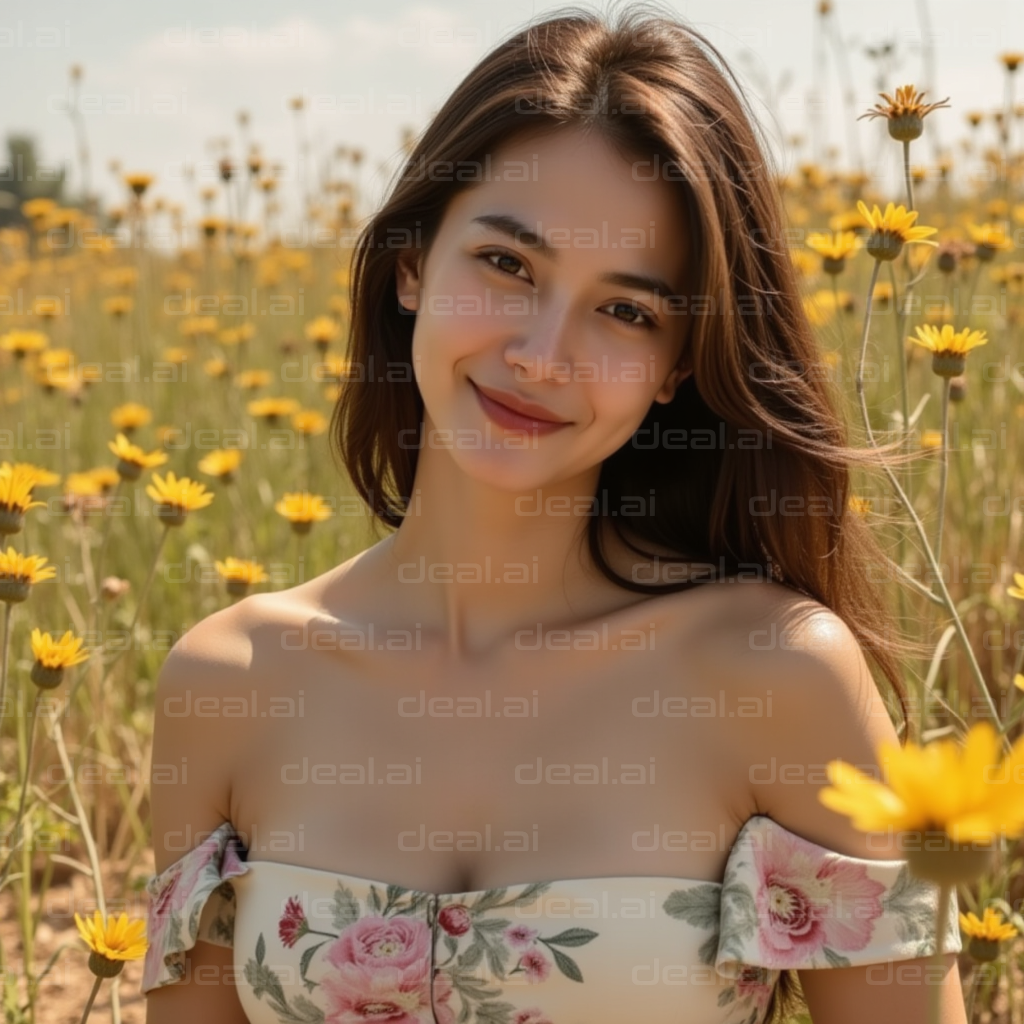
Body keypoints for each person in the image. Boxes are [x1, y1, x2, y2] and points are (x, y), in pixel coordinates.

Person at [143, 5, 967, 1023]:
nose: (542, 352)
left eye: (625, 311)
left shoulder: (779, 674)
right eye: (505, 265)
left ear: (675, 368)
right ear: (411, 265)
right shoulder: (226, 684)